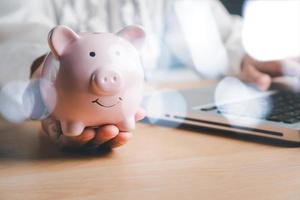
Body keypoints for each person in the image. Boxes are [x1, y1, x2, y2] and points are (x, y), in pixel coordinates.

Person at [0, 0, 296, 150]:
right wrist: (43, 69)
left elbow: (217, 34)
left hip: (158, 139)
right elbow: (13, 33)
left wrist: (245, 58)